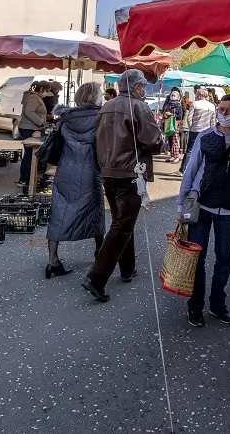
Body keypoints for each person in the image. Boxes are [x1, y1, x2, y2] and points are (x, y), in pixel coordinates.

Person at [177, 94, 230, 327]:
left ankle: (217, 304)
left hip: (229, 211)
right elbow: (190, 172)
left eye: (228, 110)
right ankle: (195, 306)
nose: (223, 114)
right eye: (220, 109)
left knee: (223, 259)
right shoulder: (204, 138)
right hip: (201, 207)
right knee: (198, 258)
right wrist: (181, 205)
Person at [83, 70, 164, 303]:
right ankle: (97, 277)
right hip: (130, 171)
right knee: (122, 225)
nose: (145, 90)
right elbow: (154, 142)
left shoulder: (106, 107)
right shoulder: (138, 107)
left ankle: (128, 268)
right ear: (137, 87)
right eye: (143, 86)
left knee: (122, 221)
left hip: (109, 171)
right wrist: (160, 139)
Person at [44, 82, 105, 278]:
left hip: (66, 170)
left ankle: (52, 260)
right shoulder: (101, 118)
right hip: (90, 170)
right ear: (95, 97)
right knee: (94, 211)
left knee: (59, 212)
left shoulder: (65, 118)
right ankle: (100, 252)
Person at [17, 81, 49, 188]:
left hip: (30, 127)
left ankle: (27, 178)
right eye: (46, 90)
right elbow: (29, 112)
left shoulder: (35, 97)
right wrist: (41, 122)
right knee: (29, 154)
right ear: (41, 89)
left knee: (30, 154)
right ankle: (24, 179)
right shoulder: (34, 98)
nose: (47, 93)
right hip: (29, 128)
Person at [179, 88, 216, 174]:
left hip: (195, 130)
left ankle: (183, 169)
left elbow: (189, 118)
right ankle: (201, 171)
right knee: (204, 151)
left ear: (200, 95)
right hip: (207, 130)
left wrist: (191, 127)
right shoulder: (212, 106)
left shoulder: (195, 104)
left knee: (190, 150)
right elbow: (213, 121)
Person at [162, 89, 186, 162]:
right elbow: (163, 111)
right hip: (168, 124)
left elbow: (180, 116)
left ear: (177, 97)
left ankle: (177, 156)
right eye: (171, 95)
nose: (172, 97)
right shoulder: (168, 104)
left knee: (175, 140)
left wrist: (171, 114)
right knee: (170, 140)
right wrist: (165, 114)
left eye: (174, 95)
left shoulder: (178, 105)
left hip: (175, 124)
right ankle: (172, 155)